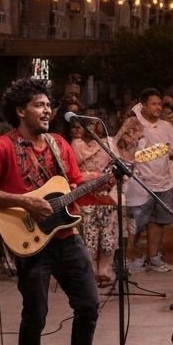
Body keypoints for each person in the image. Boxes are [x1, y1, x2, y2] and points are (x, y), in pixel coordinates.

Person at [0, 77, 111, 345]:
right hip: (30, 240)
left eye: (48, 104)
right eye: (39, 104)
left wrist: (99, 182)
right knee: (36, 311)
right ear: (21, 111)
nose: (47, 109)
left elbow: (73, 185)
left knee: (88, 303)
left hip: (66, 235)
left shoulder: (60, 145)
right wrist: (24, 202)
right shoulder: (2, 147)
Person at [130, 88, 173, 272]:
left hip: (164, 181)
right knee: (137, 222)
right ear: (144, 105)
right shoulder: (135, 124)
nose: (158, 107)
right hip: (141, 181)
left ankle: (153, 256)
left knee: (158, 221)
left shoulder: (166, 127)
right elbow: (127, 151)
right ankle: (134, 256)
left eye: (160, 103)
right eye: (154, 103)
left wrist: (158, 149)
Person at [69, 119, 118, 288]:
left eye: (83, 125)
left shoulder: (108, 143)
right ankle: (89, 274)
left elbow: (116, 166)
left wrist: (109, 179)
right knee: (88, 239)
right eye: (74, 127)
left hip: (106, 196)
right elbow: (74, 172)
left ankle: (105, 272)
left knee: (107, 239)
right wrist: (95, 177)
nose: (79, 129)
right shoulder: (75, 144)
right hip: (85, 197)